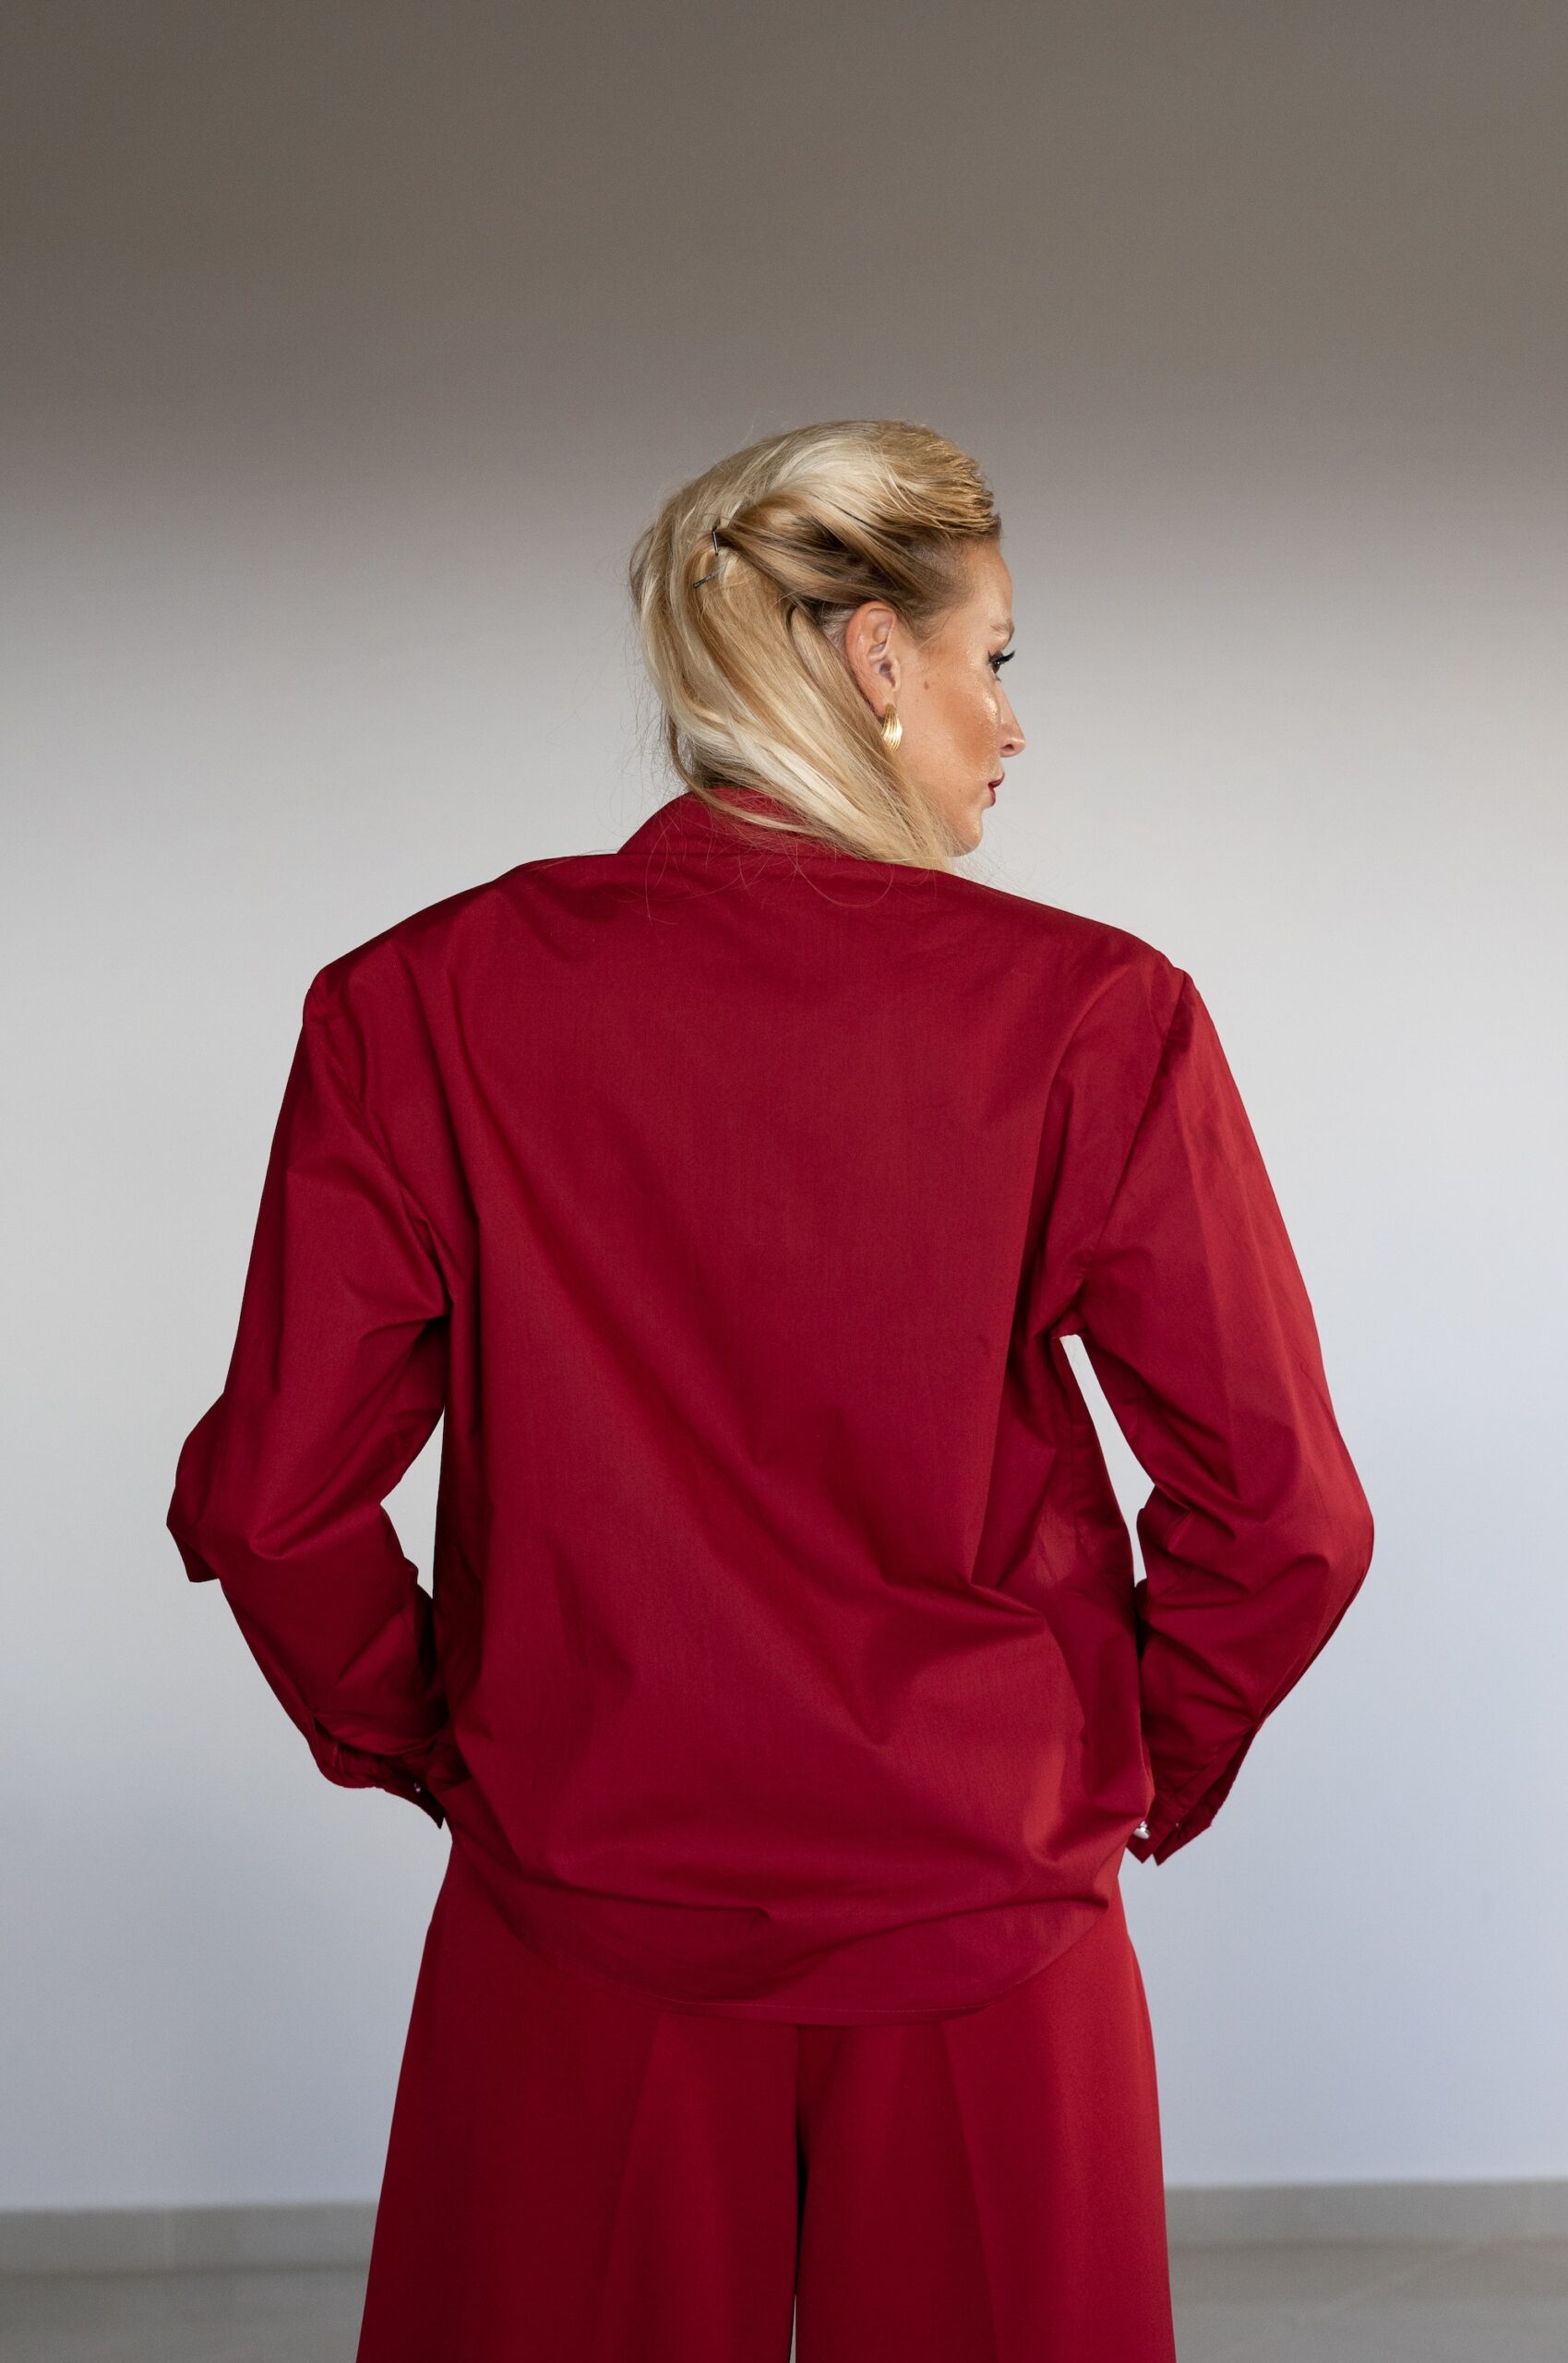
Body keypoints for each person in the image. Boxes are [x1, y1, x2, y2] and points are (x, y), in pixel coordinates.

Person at [166, 417, 1375, 2362]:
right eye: (995, 657)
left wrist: (449, 1745)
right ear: (876, 657)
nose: (1012, 723)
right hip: (983, 1932)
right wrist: (1113, 1768)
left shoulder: (421, 1000)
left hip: (577, 1925)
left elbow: (269, 1498)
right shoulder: (1093, 1013)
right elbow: (1287, 1513)